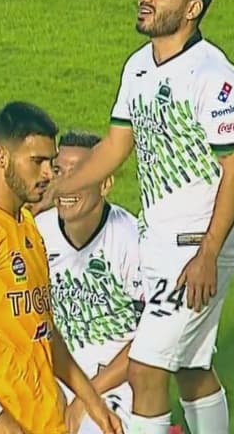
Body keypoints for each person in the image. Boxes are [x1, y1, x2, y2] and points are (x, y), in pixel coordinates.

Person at [47, 0, 234, 434]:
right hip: (158, 242)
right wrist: (54, 189)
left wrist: (209, 253)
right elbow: (114, 147)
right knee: (192, 368)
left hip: (197, 246)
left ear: (192, 9)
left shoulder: (214, 77)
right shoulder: (138, 67)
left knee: (146, 368)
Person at [0, 103, 123, 434]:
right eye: (37, 161)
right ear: (1, 157)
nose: (48, 174)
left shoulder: (28, 225)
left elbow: (42, 330)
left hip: (47, 420)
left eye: (51, 162)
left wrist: (92, 400)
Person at [34, 131, 145, 434]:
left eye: (79, 173)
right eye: (59, 172)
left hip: (112, 386)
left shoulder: (131, 240)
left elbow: (152, 337)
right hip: (52, 379)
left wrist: (89, 396)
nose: (66, 185)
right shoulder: (36, 235)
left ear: (105, 183)